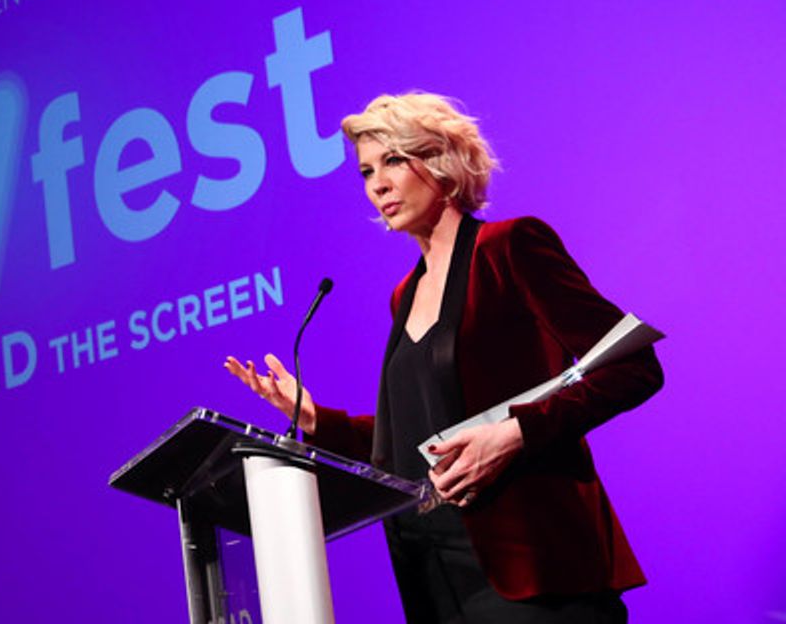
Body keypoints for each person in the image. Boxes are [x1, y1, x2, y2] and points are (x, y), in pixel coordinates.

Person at [224, 92, 663, 623]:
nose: (377, 185)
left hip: (531, 571)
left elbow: (633, 366)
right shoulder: (404, 294)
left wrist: (515, 434)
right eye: (366, 171)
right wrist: (317, 419)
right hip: (436, 576)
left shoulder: (510, 248)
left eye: (393, 160)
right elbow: (419, 444)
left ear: (442, 160)